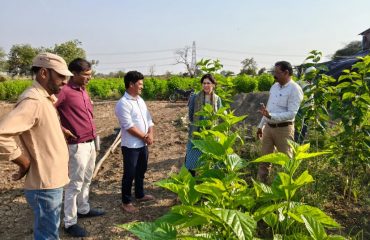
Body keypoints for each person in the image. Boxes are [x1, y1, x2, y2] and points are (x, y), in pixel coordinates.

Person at [0, 52, 73, 239]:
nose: (65, 81)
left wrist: (58, 131)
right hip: (44, 185)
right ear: (43, 73)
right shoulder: (33, 100)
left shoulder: (45, 99)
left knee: (49, 231)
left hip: (51, 181)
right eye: (61, 76)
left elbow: (38, 126)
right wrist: (23, 162)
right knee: (48, 235)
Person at [55, 58, 105, 237]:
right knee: (74, 184)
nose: (89, 78)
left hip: (90, 142)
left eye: (90, 75)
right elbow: (47, 111)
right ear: (74, 74)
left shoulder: (83, 91)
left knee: (87, 179)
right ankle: (69, 222)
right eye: (86, 75)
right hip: (76, 146)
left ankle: (83, 209)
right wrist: (62, 129)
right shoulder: (65, 91)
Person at [115, 71, 155, 213]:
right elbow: (128, 126)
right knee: (129, 173)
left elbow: (148, 119)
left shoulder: (140, 100)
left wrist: (150, 133)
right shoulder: (123, 103)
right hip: (131, 146)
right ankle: (126, 201)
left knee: (141, 171)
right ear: (131, 84)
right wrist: (146, 136)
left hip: (143, 144)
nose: (142, 87)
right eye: (140, 84)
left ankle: (140, 194)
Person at [256, 61, 303, 183]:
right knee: (264, 160)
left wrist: (271, 116)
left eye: (277, 73)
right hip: (269, 128)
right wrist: (261, 126)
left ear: (286, 72)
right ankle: (261, 188)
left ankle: (283, 192)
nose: (274, 75)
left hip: (284, 130)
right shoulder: (274, 87)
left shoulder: (295, 89)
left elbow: (292, 113)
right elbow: (268, 109)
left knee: (285, 162)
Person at [185, 73, 222, 176]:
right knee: (193, 156)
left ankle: (207, 178)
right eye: (204, 83)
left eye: (208, 83)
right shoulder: (195, 98)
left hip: (211, 133)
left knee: (209, 158)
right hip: (197, 132)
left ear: (213, 84)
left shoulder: (217, 99)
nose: (206, 85)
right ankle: (192, 179)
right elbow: (191, 114)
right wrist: (197, 125)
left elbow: (219, 115)